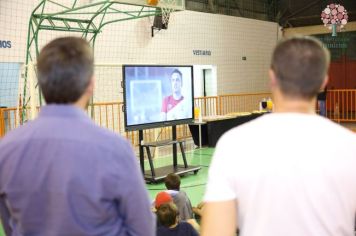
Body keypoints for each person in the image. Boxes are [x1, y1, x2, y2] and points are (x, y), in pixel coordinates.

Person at [201, 36, 356, 236]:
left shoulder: (233, 145)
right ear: (323, 82)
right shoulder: (350, 147)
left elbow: (216, 231)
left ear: (272, 77)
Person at [0, 37, 155, 236]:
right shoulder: (115, 149)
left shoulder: (6, 150)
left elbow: (11, 226)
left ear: (41, 83)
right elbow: (142, 229)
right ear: (91, 84)